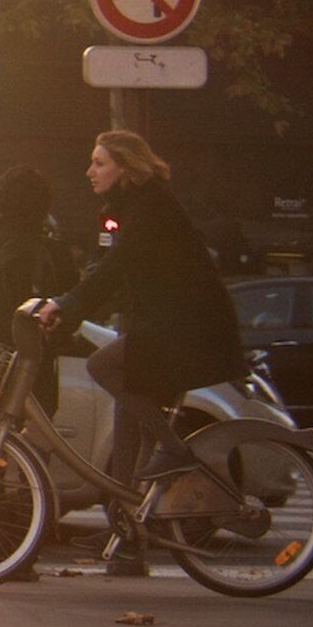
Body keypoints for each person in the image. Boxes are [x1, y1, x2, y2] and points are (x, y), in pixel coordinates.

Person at [39, 129, 245, 576]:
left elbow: (117, 267)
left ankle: (174, 449)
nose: (89, 171)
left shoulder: (151, 206)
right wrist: (69, 308)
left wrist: (69, 305)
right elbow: (109, 270)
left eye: (99, 163)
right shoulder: (127, 208)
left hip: (188, 328)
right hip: (162, 324)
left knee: (101, 367)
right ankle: (128, 536)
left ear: (125, 168)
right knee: (128, 426)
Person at [0, 165, 81, 410]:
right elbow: (71, 314)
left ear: (0, 203)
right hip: (38, 372)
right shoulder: (57, 253)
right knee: (33, 443)